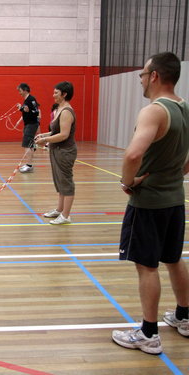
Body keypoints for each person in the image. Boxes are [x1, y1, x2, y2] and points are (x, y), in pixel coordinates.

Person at [111, 52, 189, 354]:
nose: (141, 80)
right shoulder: (184, 108)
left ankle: (148, 333)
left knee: (147, 266)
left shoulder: (154, 111)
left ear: (154, 75)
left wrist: (127, 182)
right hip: (174, 200)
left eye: (142, 74)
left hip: (149, 204)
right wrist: (173, 174)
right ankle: (184, 316)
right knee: (173, 259)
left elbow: (133, 154)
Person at [35, 81, 76, 225]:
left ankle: (66, 216)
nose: (53, 96)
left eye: (56, 93)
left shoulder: (66, 112)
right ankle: (59, 210)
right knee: (59, 181)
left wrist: (45, 139)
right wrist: (43, 135)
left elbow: (64, 135)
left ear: (64, 94)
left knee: (66, 182)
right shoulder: (59, 109)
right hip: (56, 150)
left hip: (65, 151)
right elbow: (55, 131)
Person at [15, 83, 40, 173]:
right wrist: (21, 108)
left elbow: (36, 112)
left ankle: (29, 165)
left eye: (20, 91)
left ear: (25, 90)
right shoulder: (26, 100)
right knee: (31, 145)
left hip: (31, 124)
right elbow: (27, 111)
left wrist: (28, 110)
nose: (19, 93)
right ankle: (29, 164)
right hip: (28, 124)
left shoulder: (31, 99)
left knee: (26, 144)